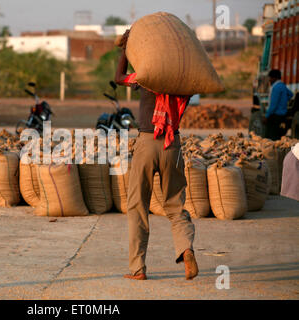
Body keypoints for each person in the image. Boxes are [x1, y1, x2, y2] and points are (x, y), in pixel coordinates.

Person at [115, 30, 198, 281]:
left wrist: (125, 49)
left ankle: (138, 269)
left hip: (147, 141)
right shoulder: (182, 82)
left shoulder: (146, 77)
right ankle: (186, 250)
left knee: (137, 206)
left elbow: (118, 78)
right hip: (172, 146)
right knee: (175, 205)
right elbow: (198, 77)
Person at [263, 69, 294, 140]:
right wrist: (284, 100)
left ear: (274, 78)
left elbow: (273, 105)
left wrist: (266, 116)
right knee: (279, 137)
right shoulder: (282, 85)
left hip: (275, 116)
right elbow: (291, 94)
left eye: (270, 78)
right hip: (283, 115)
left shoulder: (276, 87)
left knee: (271, 137)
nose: (269, 80)